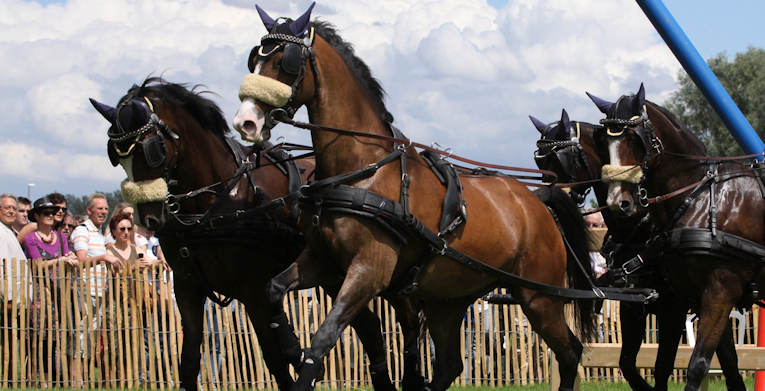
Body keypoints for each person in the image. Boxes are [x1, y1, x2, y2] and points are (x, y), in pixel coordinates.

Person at [21, 197, 77, 386]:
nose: (50, 216)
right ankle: (38, 376)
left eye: (52, 213)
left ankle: (55, 377)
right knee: (39, 335)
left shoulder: (60, 237)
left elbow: (67, 254)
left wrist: (70, 257)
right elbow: (38, 266)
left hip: (58, 291)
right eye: (46, 213)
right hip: (39, 292)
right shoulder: (31, 239)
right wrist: (61, 260)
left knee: (56, 336)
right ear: (36, 216)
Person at [68, 193, 123, 386]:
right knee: (82, 333)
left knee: (90, 335)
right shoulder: (82, 231)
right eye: (99, 208)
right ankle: (76, 379)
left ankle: (82, 378)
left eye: (106, 208)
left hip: (98, 291)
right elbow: (81, 260)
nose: (103, 212)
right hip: (85, 289)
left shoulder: (99, 234)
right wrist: (103, 258)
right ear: (89, 210)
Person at [0, 194, 28, 381]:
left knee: (10, 342)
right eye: (6, 207)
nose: (11, 211)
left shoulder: (9, 232)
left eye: (13, 208)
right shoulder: (1, 234)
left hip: (15, 298)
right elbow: (2, 267)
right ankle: (6, 379)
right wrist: (8, 297)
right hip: (7, 299)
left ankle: (8, 379)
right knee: (7, 343)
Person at [584, 212, 608, 278]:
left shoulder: (607, 246)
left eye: (595, 225)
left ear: (602, 226)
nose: (590, 228)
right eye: (587, 225)